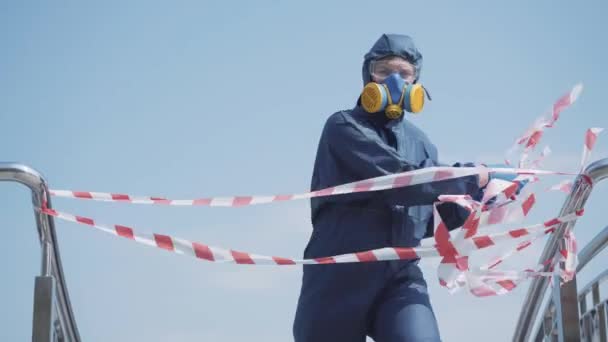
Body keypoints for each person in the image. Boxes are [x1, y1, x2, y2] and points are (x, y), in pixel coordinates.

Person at [292, 33, 492, 342]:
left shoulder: (423, 144)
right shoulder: (344, 126)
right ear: (367, 75)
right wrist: (467, 178)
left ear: (416, 81)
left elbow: (426, 218)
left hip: (399, 277)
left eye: (404, 73)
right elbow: (399, 181)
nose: (394, 80)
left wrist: (480, 200)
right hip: (338, 276)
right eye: (384, 71)